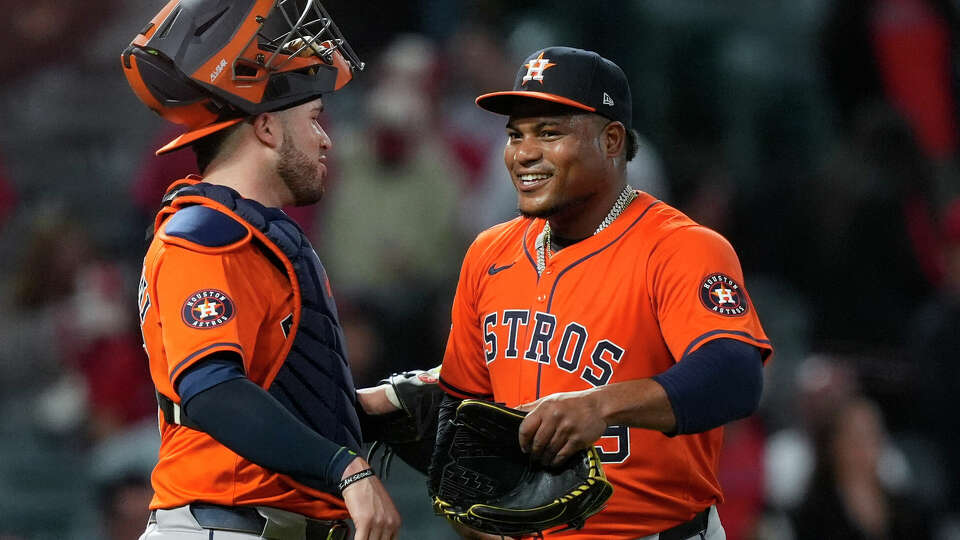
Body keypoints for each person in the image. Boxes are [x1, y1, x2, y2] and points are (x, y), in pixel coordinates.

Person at [432, 47, 772, 539]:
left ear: (611, 140)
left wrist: (601, 404)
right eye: (515, 135)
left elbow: (735, 375)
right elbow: (461, 406)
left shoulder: (680, 248)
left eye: (549, 132)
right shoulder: (489, 253)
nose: (524, 153)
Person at [121, 1, 401, 539]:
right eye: (315, 119)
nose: (327, 140)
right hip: (223, 526)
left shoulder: (250, 234)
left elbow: (278, 392)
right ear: (268, 127)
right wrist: (347, 468)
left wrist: (389, 405)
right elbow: (211, 390)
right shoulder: (203, 235)